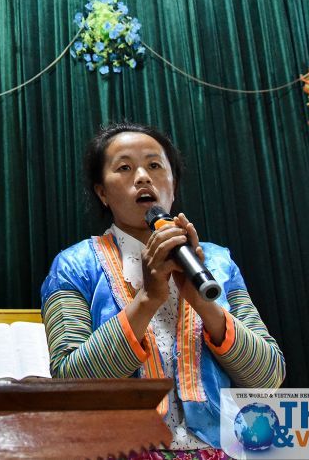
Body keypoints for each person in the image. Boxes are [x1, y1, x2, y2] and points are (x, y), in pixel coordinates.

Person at [40, 122, 285, 458]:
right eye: (124, 168)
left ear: (173, 183)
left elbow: (269, 378)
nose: (143, 177)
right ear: (102, 193)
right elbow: (69, 385)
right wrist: (147, 300)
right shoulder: (73, 265)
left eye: (154, 165)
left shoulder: (217, 261)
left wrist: (205, 305)